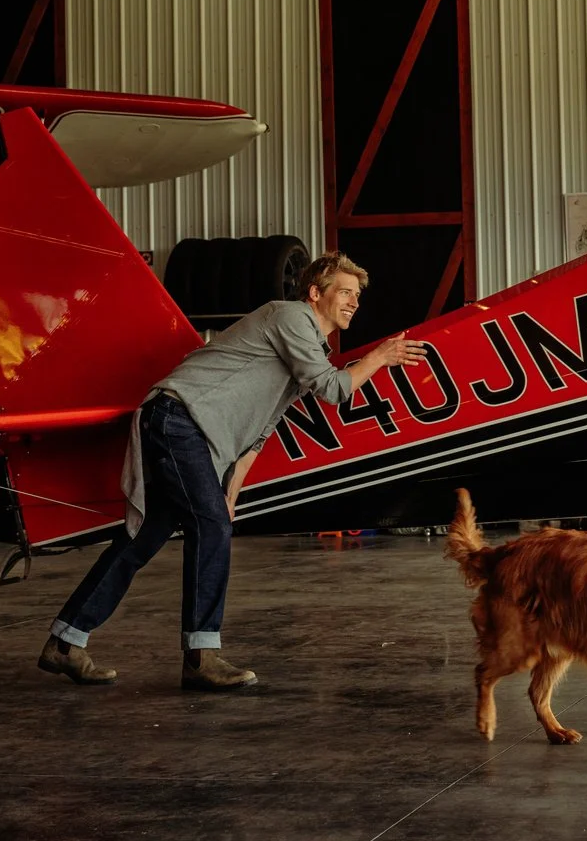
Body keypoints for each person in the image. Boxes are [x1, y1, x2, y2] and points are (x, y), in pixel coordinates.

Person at [39, 251, 420, 691]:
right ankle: (200, 658)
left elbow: (263, 427)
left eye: (358, 296)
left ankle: (65, 642)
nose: (354, 302)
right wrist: (379, 357)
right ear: (316, 293)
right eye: (346, 292)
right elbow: (333, 389)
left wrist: (230, 493)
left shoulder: (309, 346)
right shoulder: (292, 317)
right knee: (209, 527)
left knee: (145, 538)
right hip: (177, 418)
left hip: (187, 430)